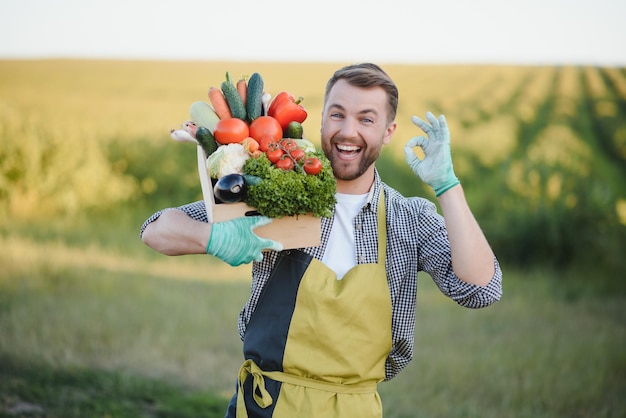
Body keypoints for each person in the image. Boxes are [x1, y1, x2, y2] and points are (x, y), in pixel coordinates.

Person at [140, 63, 503, 418]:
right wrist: (215, 238)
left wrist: (447, 186)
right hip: (267, 406)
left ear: (388, 131)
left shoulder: (408, 219)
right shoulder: (279, 186)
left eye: (366, 119)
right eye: (337, 115)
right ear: (321, 119)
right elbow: (155, 228)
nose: (348, 131)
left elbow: (480, 290)